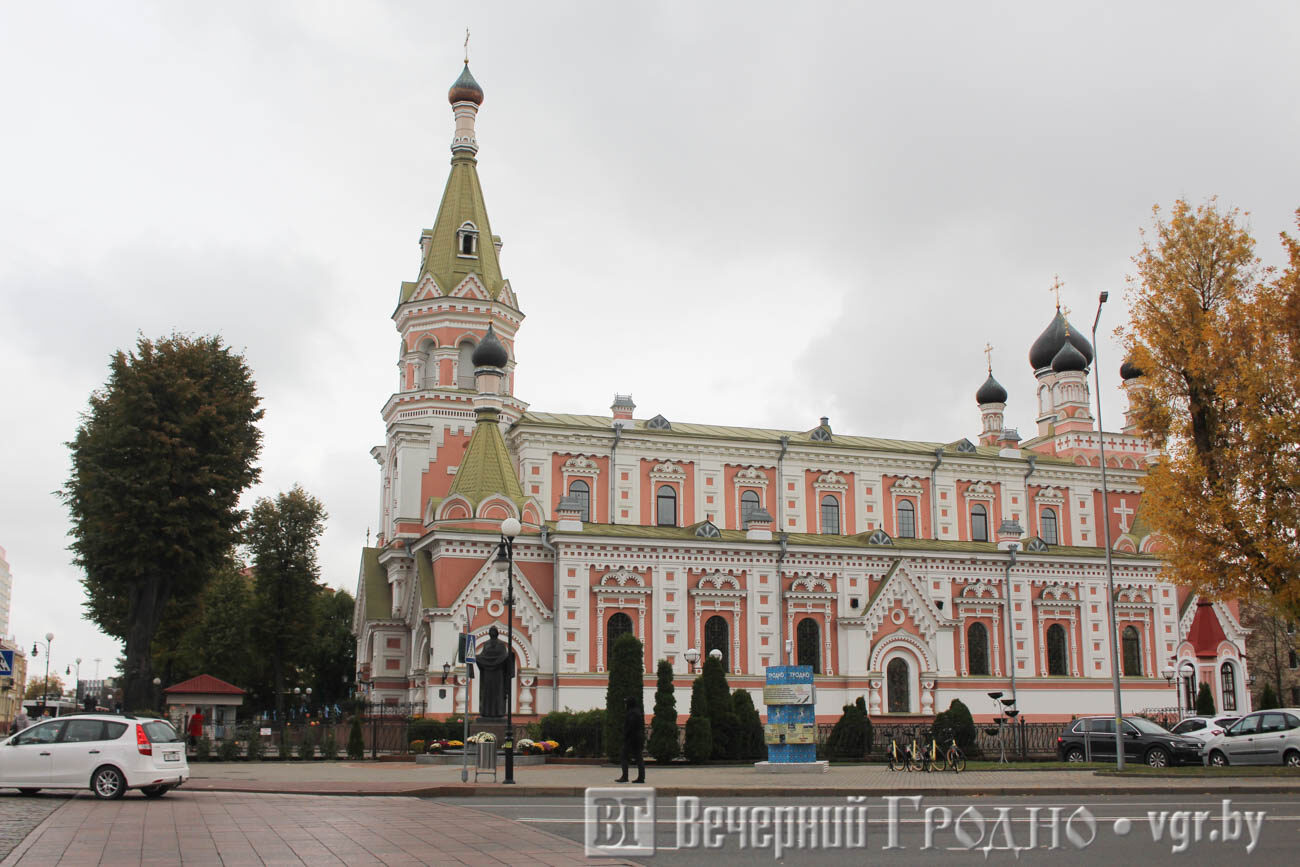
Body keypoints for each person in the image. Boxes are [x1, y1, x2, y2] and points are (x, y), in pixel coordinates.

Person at [615, 696, 645, 784]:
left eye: (626, 703)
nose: (625, 705)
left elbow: (631, 727)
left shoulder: (632, 713)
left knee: (624, 756)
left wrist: (625, 735)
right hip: (637, 738)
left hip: (632, 739)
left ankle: (625, 777)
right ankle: (641, 777)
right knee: (638, 757)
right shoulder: (637, 711)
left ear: (629, 703)